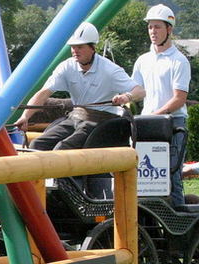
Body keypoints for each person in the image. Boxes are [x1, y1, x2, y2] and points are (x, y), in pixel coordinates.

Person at [14, 22, 145, 151]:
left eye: (80, 47)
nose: (75, 51)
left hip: (100, 122)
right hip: (74, 118)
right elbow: (43, 93)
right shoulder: (66, 67)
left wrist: (127, 96)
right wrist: (25, 116)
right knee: (37, 145)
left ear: (93, 48)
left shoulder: (110, 70)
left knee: (62, 150)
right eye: (73, 47)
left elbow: (140, 91)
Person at [132, 4, 191, 207]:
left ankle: (179, 233)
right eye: (150, 27)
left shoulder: (179, 61)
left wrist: (155, 115)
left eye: (157, 27)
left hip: (173, 124)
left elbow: (179, 99)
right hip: (147, 125)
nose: (153, 32)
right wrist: (123, 97)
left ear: (169, 29)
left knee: (171, 178)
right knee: (145, 180)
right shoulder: (142, 60)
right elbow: (137, 91)